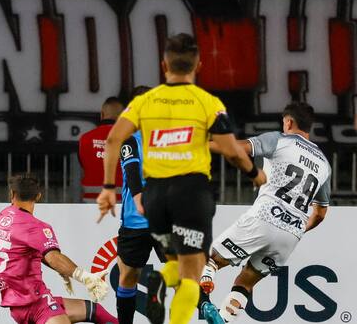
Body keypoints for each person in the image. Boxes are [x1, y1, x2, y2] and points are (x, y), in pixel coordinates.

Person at [97, 33, 262, 324]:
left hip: (145, 209)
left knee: (128, 275)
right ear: (198, 64)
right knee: (189, 270)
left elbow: (116, 147)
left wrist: (111, 188)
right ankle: (196, 303)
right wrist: (254, 172)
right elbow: (230, 149)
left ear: (164, 65)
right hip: (186, 204)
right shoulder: (205, 103)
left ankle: (146, 302)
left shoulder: (143, 110)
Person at [200, 102, 330, 324]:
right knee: (246, 281)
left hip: (266, 216)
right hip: (292, 234)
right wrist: (298, 227)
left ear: (288, 122)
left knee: (211, 260)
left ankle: (206, 281)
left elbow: (239, 148)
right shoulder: (324, 164)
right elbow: (320, 213)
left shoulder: (280, 140)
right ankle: (223, 319)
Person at [0, 172, 119, 324]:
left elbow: (31, 253)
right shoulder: (35, 226)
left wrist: (61, 269)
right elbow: (53, 257)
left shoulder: (2, 217)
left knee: (95, 310)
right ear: (38, 196)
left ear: (12, 194)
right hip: (35, 302)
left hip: (19, 302)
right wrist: (85, 277)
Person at [113, 86, 167, 324]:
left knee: (127, 276)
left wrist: (138, 197)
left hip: (136, 220)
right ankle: (164, 285)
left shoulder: (131, 140)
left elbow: (132, 172)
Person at [78, 96, 124, 203]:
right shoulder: (129, 139)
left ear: (102, 114)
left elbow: (83, 166)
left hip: (90, 204)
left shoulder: (85, 139)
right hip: (121, 204)